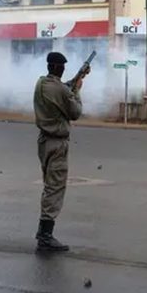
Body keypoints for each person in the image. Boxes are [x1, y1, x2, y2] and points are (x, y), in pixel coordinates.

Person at [33, 51, 87, 252]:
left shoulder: (41, 83)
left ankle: (43, 232)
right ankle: (45, 235)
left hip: (44, 141)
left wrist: (76, 80)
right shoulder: (62, 91)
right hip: (57, 143)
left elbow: (60, 89)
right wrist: (78, 90)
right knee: (55, 188)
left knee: (49, 184)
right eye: (62, 67)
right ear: (58, 67)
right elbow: (75, 112)